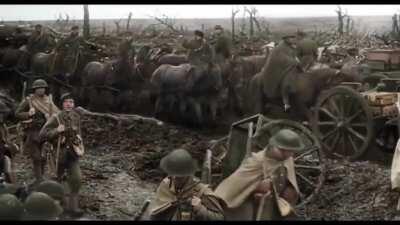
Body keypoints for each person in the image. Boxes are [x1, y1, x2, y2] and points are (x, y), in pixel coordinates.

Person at [214, 129, 305, 220]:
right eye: (282, 150)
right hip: (251, 202)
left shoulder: (287, 159)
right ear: (272, 146)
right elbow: (235, 183)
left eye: (291, 151)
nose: (287, 154)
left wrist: (288, 190)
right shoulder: (257, 161)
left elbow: (289, 180)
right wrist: (257, 186)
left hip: (276, 201)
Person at [39, 93, 84, 217]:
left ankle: (72, 208)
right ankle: (53, 209)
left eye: (71, 102)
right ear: (62, 104)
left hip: (72, 154)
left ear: (73, 104)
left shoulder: (76, 117)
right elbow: (42, 135)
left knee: (77, 179)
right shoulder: (56, 117)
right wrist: (56, 131)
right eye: (66, 102)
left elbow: (79, 135)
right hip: (58, 155)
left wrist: (80, 146)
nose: (69, 104)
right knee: (55, 182)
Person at [147, 149, 224, 220]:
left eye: (179, 175)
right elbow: (154, 210)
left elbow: (220, 218)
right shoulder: (166, 184)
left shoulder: (202, 191)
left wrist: (200, 209)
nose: (174, 177)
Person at [15, 79, 60, 185]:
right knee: (36, 157)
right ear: (34, 90)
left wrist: (51, 117)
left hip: (46, 132)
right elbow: (17, 113)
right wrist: (28, 114)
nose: (41, 90)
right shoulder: (29, 100)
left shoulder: (49, 101)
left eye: (43, 88)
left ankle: (41, 177)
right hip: (33, 132)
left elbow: (57, 115)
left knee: (44, 156)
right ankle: (39, 179)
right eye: (38, 88)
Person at [262, 32, 303, 112]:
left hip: (286, 67)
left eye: (293, 37)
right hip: (277, 69)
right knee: (287, 82)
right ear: (285, 39)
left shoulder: (290, 46)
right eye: (290, 37)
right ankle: (286, 101)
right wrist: (295, 62)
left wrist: (297, 62)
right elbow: (283, 59)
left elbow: (293, 56)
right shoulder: (279, 48)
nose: (292, 39)